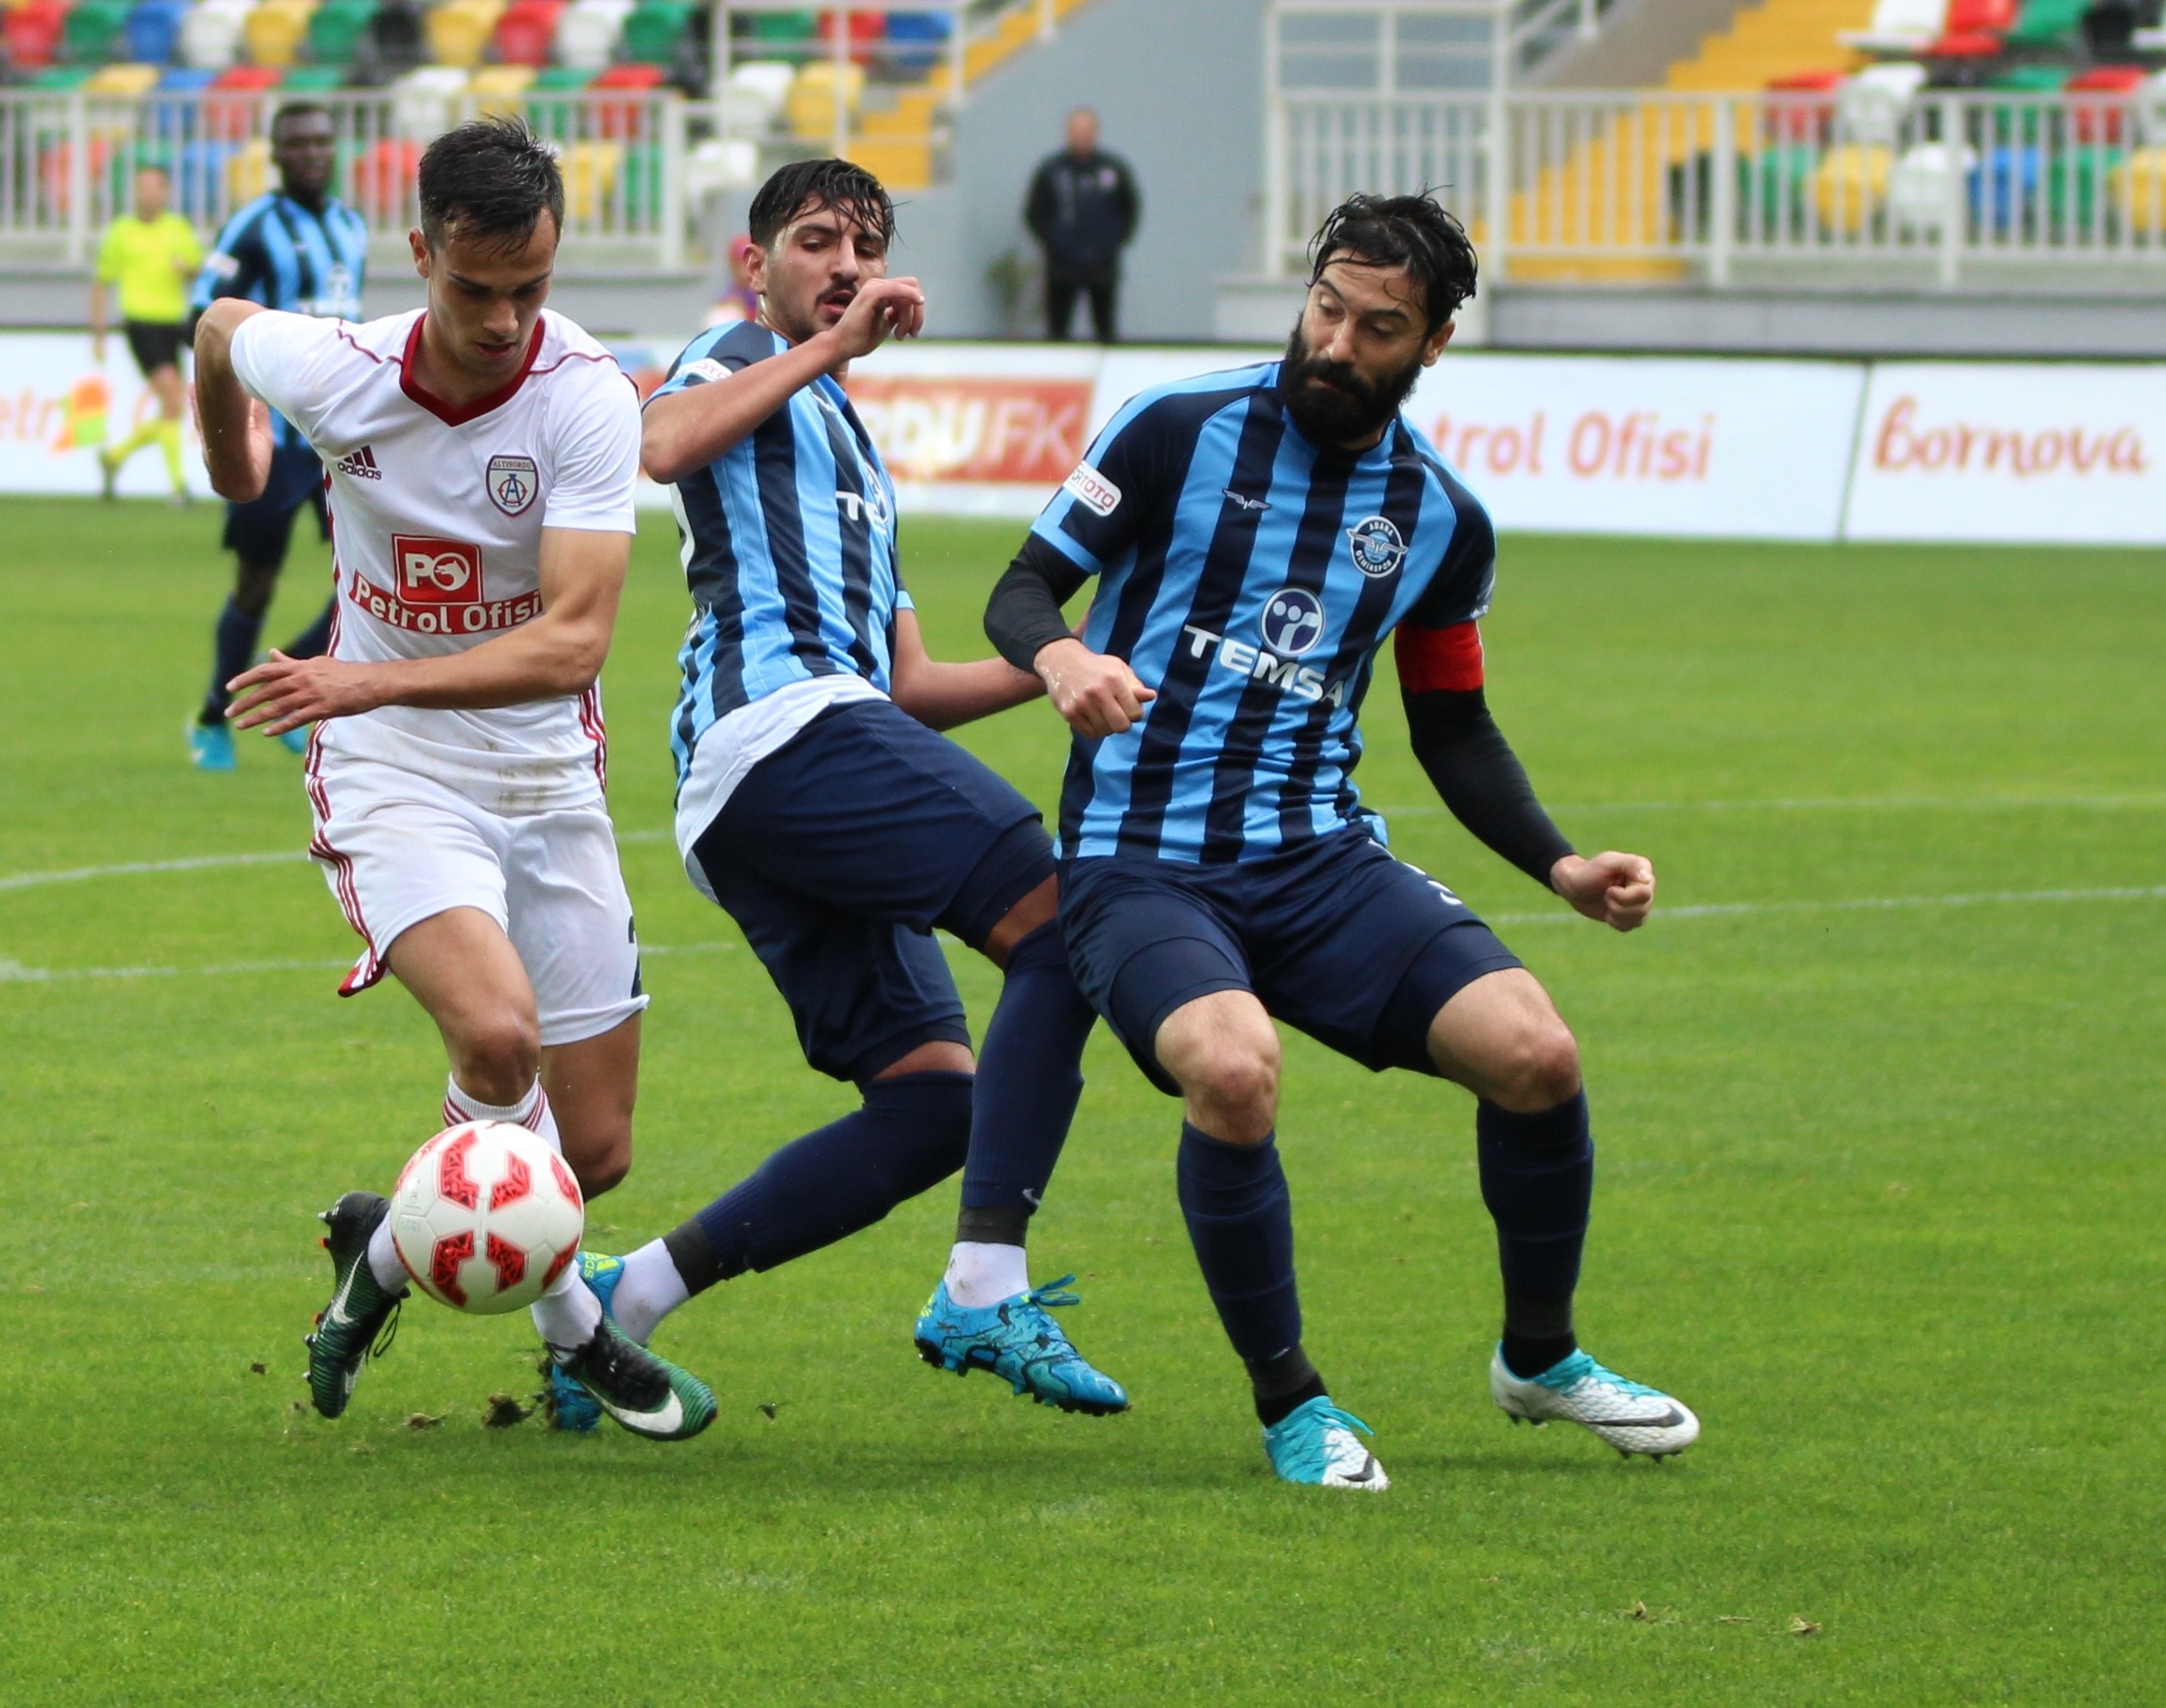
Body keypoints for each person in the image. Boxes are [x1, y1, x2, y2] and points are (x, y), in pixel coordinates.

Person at [984, 192, 1698, 1489]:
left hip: (1319, 859)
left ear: (1432, 344)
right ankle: (1293, 1403)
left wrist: (1558, 863)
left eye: (1377, 328)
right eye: (1326, 308)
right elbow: (1021, 586)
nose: (1336, 343)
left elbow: (1453, 725)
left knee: (1537, 1053)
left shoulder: (1440, 518)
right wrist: (1061, 657)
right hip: (1138, 859)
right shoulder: (1175, 426)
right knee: (1232, 1068)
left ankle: (1539, 1358)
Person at [538, 156, 1127, 1434]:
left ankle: (628, 1298)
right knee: (1063, 920)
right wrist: (828, 348)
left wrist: (1065, 656)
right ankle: (984, 1284)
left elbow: (908, 684)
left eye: (864, 246)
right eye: (815, 240)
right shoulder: (734, 352)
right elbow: (658, 444)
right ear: (756, 265)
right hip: (779, 734)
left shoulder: (856, 449)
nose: (845, 264)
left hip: (795, 770)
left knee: (932, 1102)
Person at [194, 118, 715, 1444]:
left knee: (591, 1154)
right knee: (495, 1036)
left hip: (541, 770)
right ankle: (577, 1331)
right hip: (393, 766)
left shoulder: (585, 396)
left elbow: (575, 644)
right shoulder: (339, 368)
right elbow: (219, 329)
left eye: (529, 288)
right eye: (474, 288)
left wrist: (358, 677)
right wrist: (235, 464)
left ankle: (376, 1252)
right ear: (420, 252)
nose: (502, 320)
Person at [182, 102, 367, 773]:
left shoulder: (351, 227)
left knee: (369, 579)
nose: (313, 153)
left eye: (322, 141)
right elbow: (202, 315)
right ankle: (213, 716)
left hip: (339, 436)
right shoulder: (254, 226)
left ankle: (294, 678)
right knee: (255, 584)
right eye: (299, 144)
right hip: (274, 440)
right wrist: (234, 407)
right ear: (277, 154)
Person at [92, 163, 203, 504]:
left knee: (173, 408)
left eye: (156, 187)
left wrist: (187, 269)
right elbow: (102, 283)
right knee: (172, 400)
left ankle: (114, 457)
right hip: (141, 326)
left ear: (165, 193)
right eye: (143, 187)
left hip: (173, 326)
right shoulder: (121, 232)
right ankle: (178, 487)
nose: (149, 194)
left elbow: (200, 270)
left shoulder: (178, 229)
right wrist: (98, 333)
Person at [1023, 108, 1139, 344]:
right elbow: (1034, 213)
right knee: (1057, 331)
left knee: (1105, 330)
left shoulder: (1112, 170)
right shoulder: (1052, 171)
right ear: (1068, 133)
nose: (1081, 136)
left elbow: (1129, 208)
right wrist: (1054, 242)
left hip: (1102, 266)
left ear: (1095, 132)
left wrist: (1113, 241)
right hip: (1062, 267)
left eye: (1086, 130)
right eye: (1077, 130)